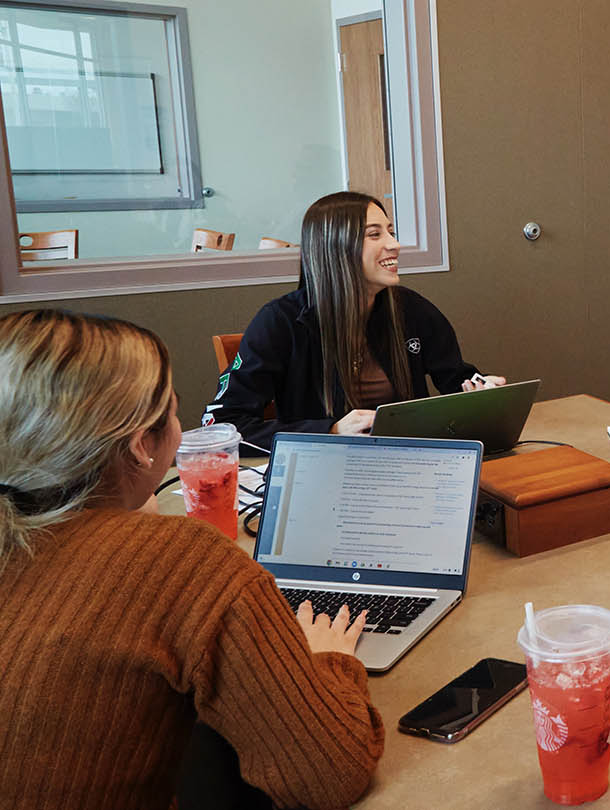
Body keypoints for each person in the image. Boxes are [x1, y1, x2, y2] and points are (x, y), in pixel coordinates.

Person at [0, 309, 384, 809]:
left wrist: (119, 507)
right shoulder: (185, 561)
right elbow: (330, 774)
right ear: (141, 447)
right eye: (174, 412)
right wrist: (327, 661)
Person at [204, 191, 502, 449]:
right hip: (325, 472)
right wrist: (330, 431)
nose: (395, 244)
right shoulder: (279, 322)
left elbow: (456, 379)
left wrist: (481, 390)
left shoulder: (411, 309)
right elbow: (221, 425)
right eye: (375, 234)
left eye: (391, 231)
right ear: (335, 248)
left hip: (409, 463)